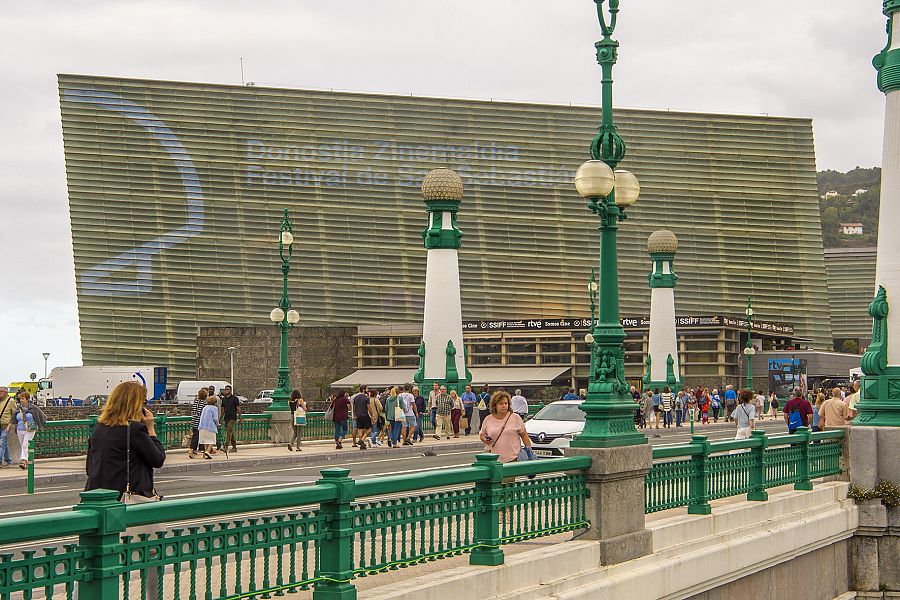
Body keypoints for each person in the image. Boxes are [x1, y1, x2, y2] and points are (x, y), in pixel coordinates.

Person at [85, 381, 166, 498]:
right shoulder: (134, 429)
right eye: (144, 402)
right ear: (135, 404)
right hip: (126, 499)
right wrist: (150, 428)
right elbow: (158, 459)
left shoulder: (99, 427)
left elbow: (90, 468)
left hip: (98, 497)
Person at [479, 391, 532, 464]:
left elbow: (524, 435)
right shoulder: (488, 419)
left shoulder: (515, 418)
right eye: (501, 404)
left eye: (506, 403)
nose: (504, 406)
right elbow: (482, 435)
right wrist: (484, 439)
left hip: (513, 459)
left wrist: (529, 451)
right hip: (493, 460)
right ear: (495, 405)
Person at [9, 392, 46, 469]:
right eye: (20, 399)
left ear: (27, 399)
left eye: (23, 399)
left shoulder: (33, 408)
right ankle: (26, 463)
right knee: (23, 446)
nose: (21, 400)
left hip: (30, 429)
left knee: (25, 445)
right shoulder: (18, 409)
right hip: (20, 429)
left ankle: (23, 461)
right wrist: (9, 426)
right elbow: (13, 419)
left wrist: (39, 424)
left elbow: (42, 416)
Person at [219, 385, 241, 453]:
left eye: (227, 389)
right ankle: (234, 447)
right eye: (225, 389)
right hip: (226, 417)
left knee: (229, 430)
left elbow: (238, 408)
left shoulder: (235, 398)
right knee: (231, 432)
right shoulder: (224, 399)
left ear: (230, 390)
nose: (226, 391)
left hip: (233, 417)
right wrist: (220, 418)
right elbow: (223, 409)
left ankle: (226, 446)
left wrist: (240, 417)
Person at [187, 389, 208, 458]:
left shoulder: (195, 402)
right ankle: (192, 449)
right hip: (200, 421)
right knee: (198, 437)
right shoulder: (205, 403)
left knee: (195, 436)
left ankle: (194, 450)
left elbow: (193, 411)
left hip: (194, 420)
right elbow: (204, 414)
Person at [0, 387, 15, 467]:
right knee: (4, 444)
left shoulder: (11, 401)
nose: (0, 393)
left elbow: (15, 414)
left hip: (6, 426)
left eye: (1, 391)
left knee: (1, 444)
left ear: (6, 392)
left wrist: (11, 425)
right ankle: (8, 461)